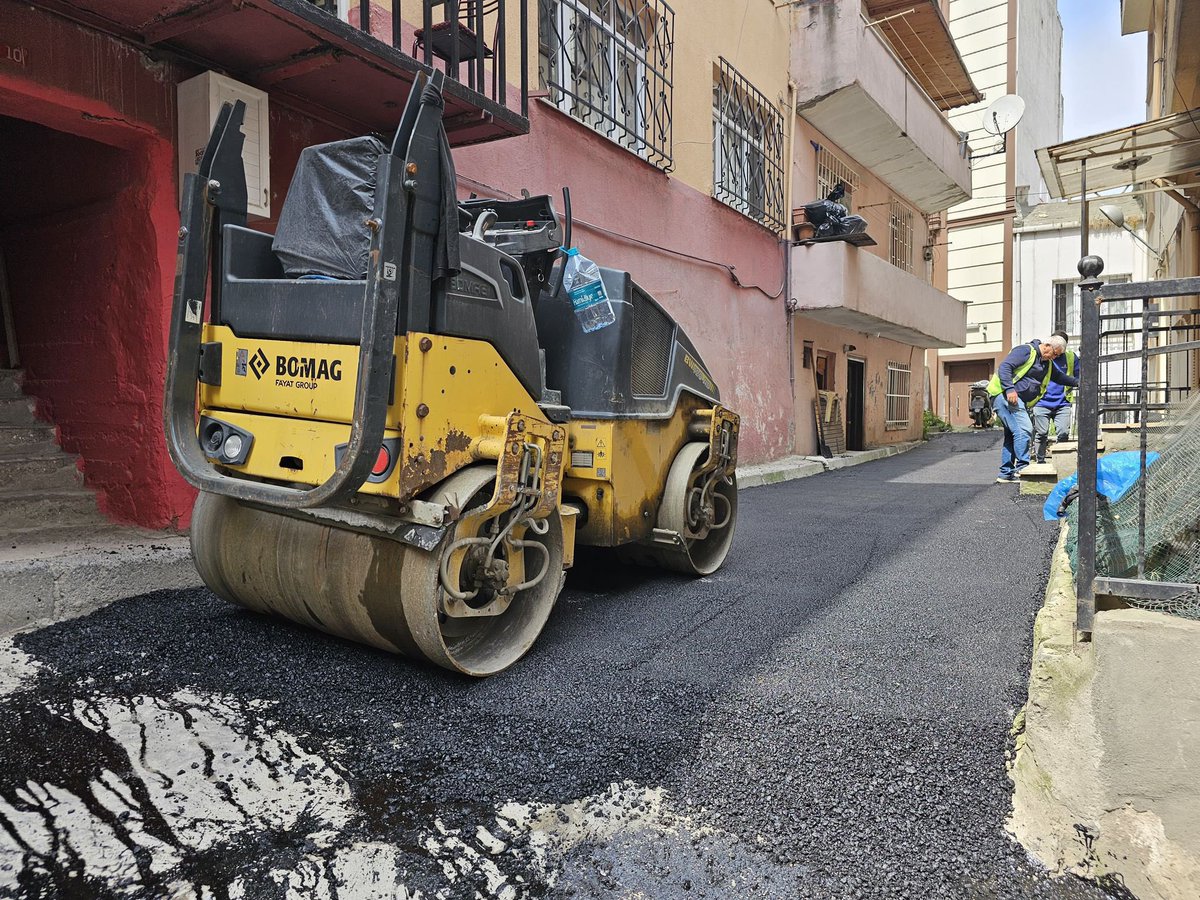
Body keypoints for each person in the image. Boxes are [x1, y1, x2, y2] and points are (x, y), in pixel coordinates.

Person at [986, 334, 1078, 483]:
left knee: (1012, 434)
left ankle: (1005, 473)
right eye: (1055, 353)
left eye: (1058, 355)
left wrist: (1079, 382)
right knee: (1024, 429)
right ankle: (1022, 469)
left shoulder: (1046, 363)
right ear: (1047, 345)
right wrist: (1010, 389)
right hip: (1004, 395)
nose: (1055, 357)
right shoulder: (1026, 351)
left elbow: (1060, 378)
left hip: (1016, 399)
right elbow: (1005, 367)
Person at [1032, 330, 1079, 464]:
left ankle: (1060, 462)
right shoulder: (1042, 355)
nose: (1056, 354)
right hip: (1042, 401)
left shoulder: (1070, 357)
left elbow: (1078, 375)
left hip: (1062, 402)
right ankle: (1040, 461)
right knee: (1041, 434)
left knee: (1063, 433)